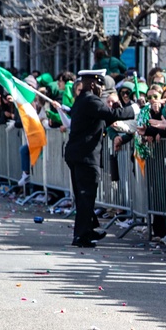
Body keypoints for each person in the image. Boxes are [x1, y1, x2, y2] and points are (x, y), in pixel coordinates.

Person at [63, 70, 137, 248]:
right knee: (85, 195)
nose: (101, 89)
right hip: (85, 156)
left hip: (79, 154)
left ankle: (87, 229)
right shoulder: (90, 100)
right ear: (93, 84)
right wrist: (133, 109)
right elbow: (112, 115)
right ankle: (81, 235)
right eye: (100, 86)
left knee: (84, 196)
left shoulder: (82, 100)